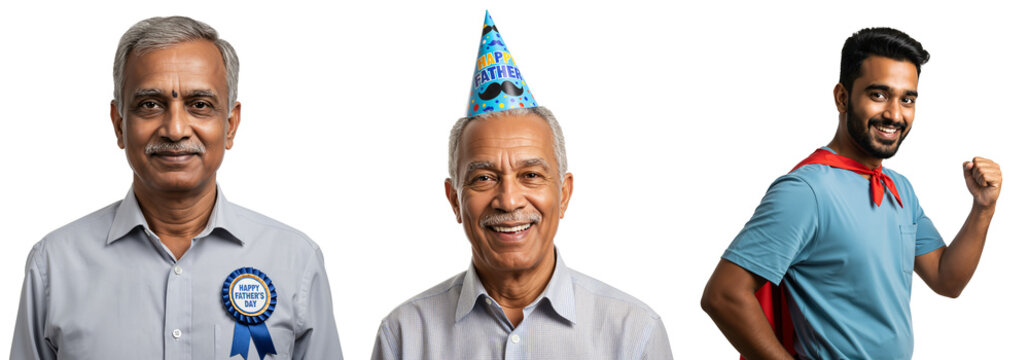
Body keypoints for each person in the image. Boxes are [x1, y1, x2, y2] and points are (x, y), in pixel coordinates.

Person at [10, 16, 344, 360]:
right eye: (150, 105)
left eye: (199, 104)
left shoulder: (295, 261)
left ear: (230, 125)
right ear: (119, 123)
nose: (175, 129)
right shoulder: (54, 265)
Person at [371, 11, 673, 360]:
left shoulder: (633, 333)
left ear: (564, 193)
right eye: (484, 177)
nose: (509, 200)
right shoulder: (404, 336)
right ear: (455, 200)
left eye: (530, 175)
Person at [700, 27, 1002, 359]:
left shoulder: (899, 188)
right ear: (842, 97)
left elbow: (947, 280)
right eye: (878, 94)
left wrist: (982, 208)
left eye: (907, 99)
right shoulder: (807, 191)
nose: (894, 114)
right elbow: (724, 295)